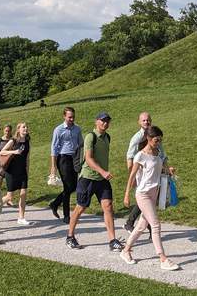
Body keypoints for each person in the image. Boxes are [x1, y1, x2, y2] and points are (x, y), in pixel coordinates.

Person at [120, 126, 180, 270]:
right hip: (143, 194)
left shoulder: (158, 152)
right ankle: (163, 258)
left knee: (141, 226)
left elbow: (161, 168)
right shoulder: (140, 155)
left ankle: (125, 250)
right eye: (156, 140)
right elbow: (132, 176)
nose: (158, 142)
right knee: (155, 225)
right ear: (148, 138)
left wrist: (168, 170)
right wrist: (127, 194)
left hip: (154, 192)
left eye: (160, 140)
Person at [65, 112, 124, 251]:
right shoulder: (90, 137)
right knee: (80, 208)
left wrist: (103, 174)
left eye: (107, 121)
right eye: (103, 120)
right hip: (87, 178)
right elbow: (89, 159)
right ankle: (70, 236)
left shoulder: (107, 137)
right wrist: (103, 171)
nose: (105, 123)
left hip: (101, 179)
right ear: (96, 121)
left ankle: (112, 240)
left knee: (108, 206)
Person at [123, 112, 173, 232]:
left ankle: (131, 223)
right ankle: (151, 230)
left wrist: (167, 168)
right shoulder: (137, 138)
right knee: (146, 200)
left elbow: (162, 154)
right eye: (144, 120)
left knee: (148, 201)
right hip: (141, 172)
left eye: (148, 120)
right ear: (139, 122)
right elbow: (130, 157)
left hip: (153, 170)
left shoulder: (155, 135)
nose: (146, 122)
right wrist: (132, 176)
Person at [48, 107, 83, 224]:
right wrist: (53, 167)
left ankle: (55, 203)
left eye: (73, 117)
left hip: (74, 158)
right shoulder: (58, 130)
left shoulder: (77, 129)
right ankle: (66, 215)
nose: (72, 119)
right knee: (68, 187)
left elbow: (81, 144)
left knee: (74, 186)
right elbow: (53, 149)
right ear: (64, 116)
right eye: (69, 117)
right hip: (63, 159)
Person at [1, 122, 32, 225]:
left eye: (26, 127)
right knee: (9, 197)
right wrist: (13, 152)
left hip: (22, 171)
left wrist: (27, 170)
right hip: (11, 171)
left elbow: (27, 157)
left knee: (23, 194)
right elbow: (1, 152)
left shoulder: (27, 141)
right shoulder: (13, 141)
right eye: (23, 127)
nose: (25, 128)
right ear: (18, 129)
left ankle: (21, 218)